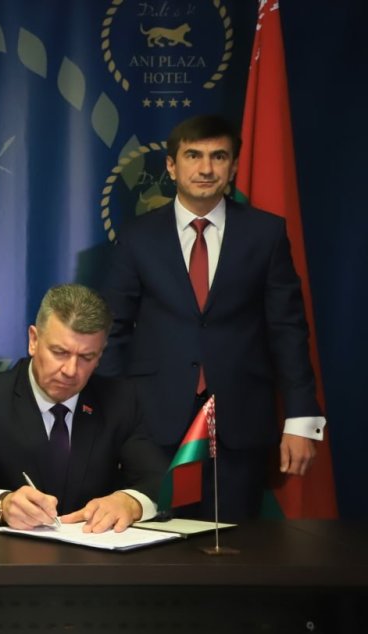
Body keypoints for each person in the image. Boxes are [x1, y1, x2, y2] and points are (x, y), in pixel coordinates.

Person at [99, 114, 325, 522]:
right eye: (193, 156)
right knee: (155, 542)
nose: (206, 168)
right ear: (171, 166)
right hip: (153, 422)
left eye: (218, 156)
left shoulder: (266, 233)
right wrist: (113, 419)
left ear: (233, 166)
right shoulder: (137, 237)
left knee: (235, 546)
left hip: (240, 422)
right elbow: (112, 332)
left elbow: (288, 330)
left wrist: (301, 419)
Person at [0, 284, 167, 533]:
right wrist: (1, 505)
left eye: (86, 357)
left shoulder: (119, 401)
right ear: (34, 340)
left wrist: (131, 502)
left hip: (94, 550)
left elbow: (162, 482)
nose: (71, 371)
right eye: (59, 352)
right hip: (11, 553)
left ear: (100, 355)